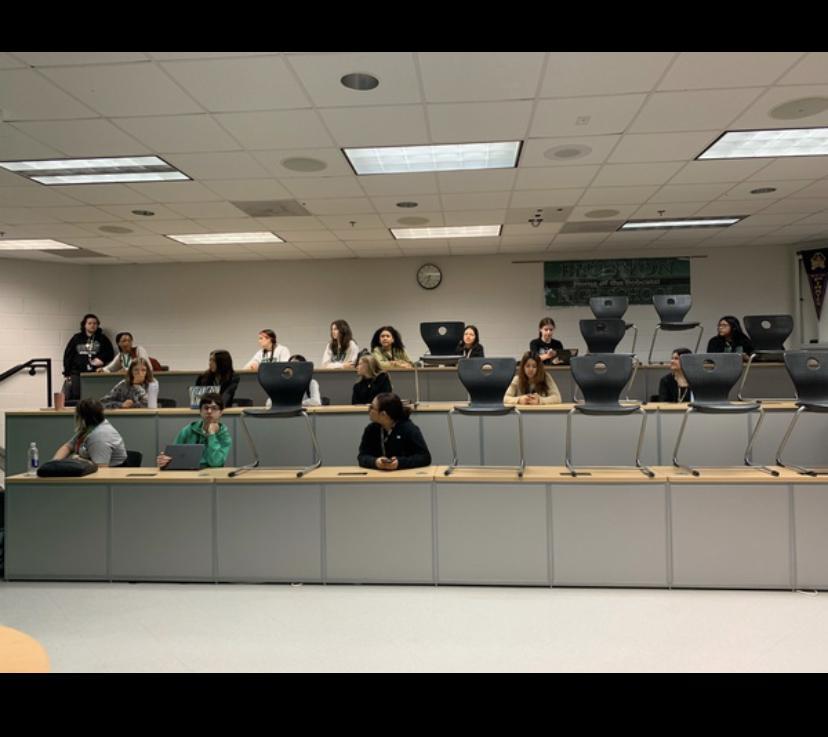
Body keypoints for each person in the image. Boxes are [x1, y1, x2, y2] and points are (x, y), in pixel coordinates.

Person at [357, 392, 431, 471]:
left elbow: (425, 457)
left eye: (372, 407)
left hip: (404, 475)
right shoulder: (371, 430)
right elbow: (362, 456)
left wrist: (400, 463)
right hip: (378, 475)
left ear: (383, 414)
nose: (369, 410)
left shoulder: (409, 429)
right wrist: (375, 462)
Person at [156, 393, 232, 469]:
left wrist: (212, 435)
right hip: (189, 472)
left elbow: (216, 463)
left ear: (221, 412)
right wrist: (164, 461)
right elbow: (173, 457)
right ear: (200, 411)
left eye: (214, 408)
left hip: (212, 473)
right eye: (206, 408)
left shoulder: (224, 436)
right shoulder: (188, 430)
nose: (209, 411)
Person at [52, 398, 127, 467]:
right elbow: (68, 447)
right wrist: (53, 463)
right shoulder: (90, 428)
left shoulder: (100, 436)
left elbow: (101, 467)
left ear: (82, 417)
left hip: (109, 474)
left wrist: (80, 460)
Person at [62, 313, 115, 401]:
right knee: (77, 395)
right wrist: (67, 372)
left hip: (96, 372)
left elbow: (110, 353)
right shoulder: (76, 338)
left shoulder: (103, 338)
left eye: (95, 323)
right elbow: (68, 355)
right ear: (84, 325)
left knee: (95, 395)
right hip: (77, 373)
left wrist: (101, 359)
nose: (92, 325)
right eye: (89, 323)